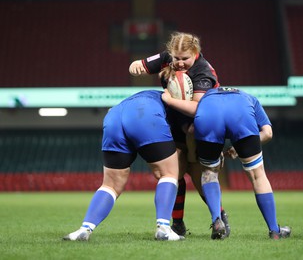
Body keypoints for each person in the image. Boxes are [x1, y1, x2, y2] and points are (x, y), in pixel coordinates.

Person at [129, 31, 230, 236]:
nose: (180, 63)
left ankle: (218, 218)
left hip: (203, 130)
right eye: (176, 58)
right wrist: (135, 67)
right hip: (175, 128)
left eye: (185, 59)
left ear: (196, 53)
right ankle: (177, 223)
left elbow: (196, 109)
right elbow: (138, 65)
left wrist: (168, 100)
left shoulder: (203, 72)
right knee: (174, 172)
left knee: (200, 175)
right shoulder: (168, 58)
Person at [63, 90, 184, 241]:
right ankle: (164, 228)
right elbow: (186, 134)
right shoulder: (177, 103)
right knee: (168, 174)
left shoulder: (151, 94)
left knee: (111, 185)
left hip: (113, 115)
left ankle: (84, 229)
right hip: (144, 112)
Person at [191, 86, 291, 239]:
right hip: (241, 112)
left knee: (209, 172)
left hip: (208, 113)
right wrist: (239, 148)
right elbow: (268, 133)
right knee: (258, 175)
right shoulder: (249, 97)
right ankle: (274, 230)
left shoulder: (205, 97)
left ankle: (217, 221)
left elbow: (192, 129)